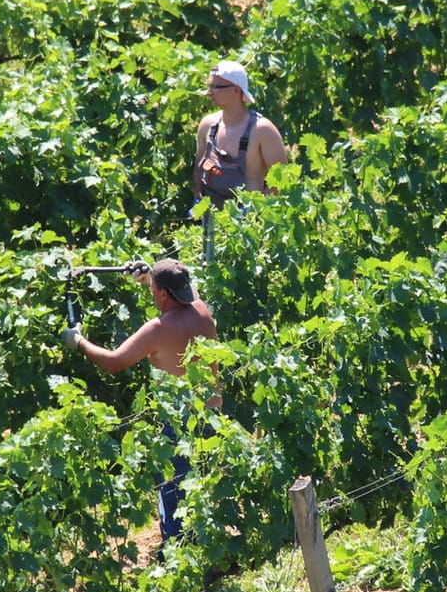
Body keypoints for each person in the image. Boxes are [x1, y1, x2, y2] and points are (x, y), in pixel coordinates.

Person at [61, 259, 218, 541]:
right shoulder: (201, 308)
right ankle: (206, 550)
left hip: (181, 425)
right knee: (203, 492)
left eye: (154, 289)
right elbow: (182, 293)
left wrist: (79, 342)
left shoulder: (158, 328)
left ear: (164, 295)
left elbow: (113, 362)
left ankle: (180, 565)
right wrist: (151, 279)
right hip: (213, 415)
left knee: (176, 499)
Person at [193, 60, 288, 206]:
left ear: (236, 90)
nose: (209, 92)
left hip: (246, 223)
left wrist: (257, 212)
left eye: (216, 87)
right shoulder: (208, 126)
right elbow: (198, 171)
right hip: (210, 218)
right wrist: (197, 201)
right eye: (209, 86)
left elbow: (282, 181)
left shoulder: (262, 130)